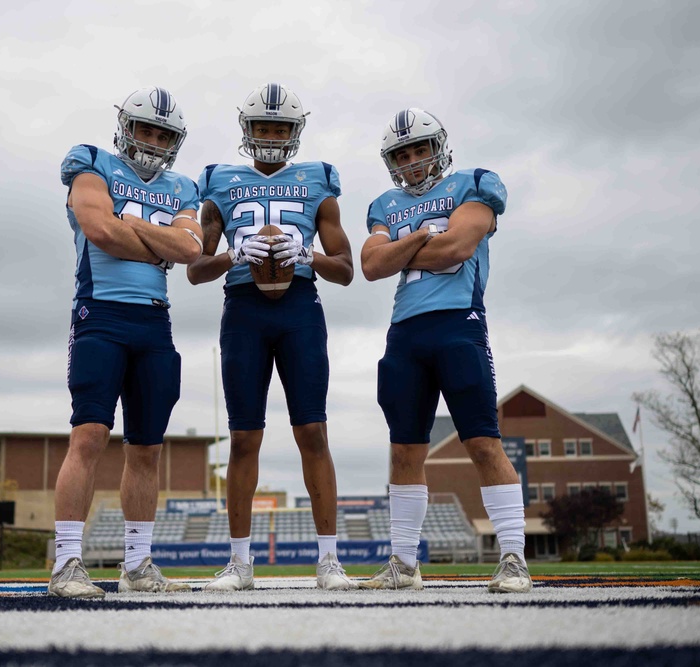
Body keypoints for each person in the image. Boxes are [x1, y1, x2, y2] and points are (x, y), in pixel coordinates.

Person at [187, 83, 356, 591]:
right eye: (263, 126)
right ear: (247, 129)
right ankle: (240, 563)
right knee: (243, 437)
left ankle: (329, 561)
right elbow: (195, 269)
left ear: (295, 131)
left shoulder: (318, 181)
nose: (272, 135)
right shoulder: (218, 181)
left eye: (280, 127)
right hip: (243, 310)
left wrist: (305, 255)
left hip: (300, 308)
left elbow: (347, 269)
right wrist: (235, 256)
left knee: (314, 433)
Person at [359, 108, 531, 594]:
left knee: (481, 441)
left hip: (460, 325)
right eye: (402, 154)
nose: (412, 161)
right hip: (404, 334)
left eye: (419, 149)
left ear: (439, 147)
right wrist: (421, 236)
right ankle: (404, 564)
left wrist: (402, 247)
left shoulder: (474, 183)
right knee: (404, 449)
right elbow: (371, 264)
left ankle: (514, 558)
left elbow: (456, 248)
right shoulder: (384, 203)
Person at [48, 87, 204, 599]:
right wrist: (151, 239)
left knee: (147, 449)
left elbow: (188, 249)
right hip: (101, 316)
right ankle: (67, 563)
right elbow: (98, 230)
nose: (153, 140)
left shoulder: (181, 185)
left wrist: (132, 224)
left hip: (154, 324)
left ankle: (137, 566)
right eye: (146, 129)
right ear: (126, 127)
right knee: (88, 436)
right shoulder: (91, 163)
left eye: (164, 134)